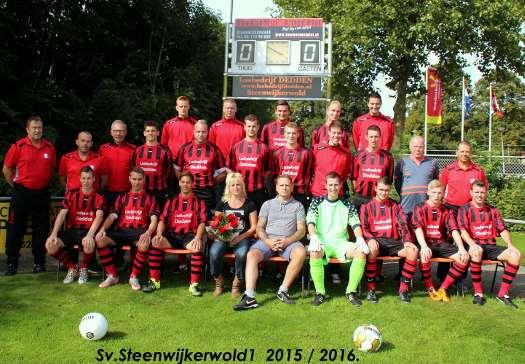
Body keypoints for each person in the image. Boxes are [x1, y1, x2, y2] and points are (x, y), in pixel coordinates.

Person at [234, 175, 307, 310]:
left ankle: (283, 290)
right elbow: (260, 227)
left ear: (292, 187)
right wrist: (267, 241)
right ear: (276, 188)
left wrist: (288, 240)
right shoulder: (267, 204)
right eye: (281, 185)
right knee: (252, 255)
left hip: (289, 241)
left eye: (287, 185)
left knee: (301, 252)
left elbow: (302, 230)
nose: (284, 188)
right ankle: (249, 296)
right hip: (268, 239)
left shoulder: (298, 206)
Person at [3, 116, 56, 274]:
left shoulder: (49, 147)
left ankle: (39, 263)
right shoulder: (18, 146)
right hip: (22, 193)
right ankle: (12, 264)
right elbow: (6, 169)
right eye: (34, 127)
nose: (37, 130)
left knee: (41, 230)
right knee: (15, 229)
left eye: (39, 127)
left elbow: (52, 170)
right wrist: (17, 185)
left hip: (41, 193)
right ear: (27, 129)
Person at [306, 172, 369, 306]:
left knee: (361, 252)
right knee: (314, 252)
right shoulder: (317, 201)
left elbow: (355, 223)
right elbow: (310, 221)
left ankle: (351, 292)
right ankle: (320, 293)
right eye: (330, 185)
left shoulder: (347, 203)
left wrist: (359, 238)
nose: (333, 188)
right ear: (325, 185)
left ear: (340, 186)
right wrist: (313, 236)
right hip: (323, 242)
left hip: (341, 243)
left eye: (336, 185)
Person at [458, 180, 522, 308]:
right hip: (473, 246)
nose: (479, 195)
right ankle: (478, 293)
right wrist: (472, 244)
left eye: (482, 192)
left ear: (486, 193)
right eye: (476, 192)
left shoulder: (492, 210)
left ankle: (503, 294)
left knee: (516, 254)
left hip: (491, 246)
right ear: (471, 192)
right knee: (477, 251)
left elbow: (502, 229)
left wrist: (510, 244)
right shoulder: (464, 209)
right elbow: (462, 231)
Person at [95, 167, 159, 289]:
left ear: (144, 180)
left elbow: (154, 220)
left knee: (144, 243)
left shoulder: (151, 199)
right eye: (134, 179)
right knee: (100, 239)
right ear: (129, 179)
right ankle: (112, 275)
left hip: (139, 232)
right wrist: (102, 229)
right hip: (121, 232)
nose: (136, 182)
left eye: (139, 179)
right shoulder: (122, 198)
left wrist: (148, 233)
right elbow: (112, 216)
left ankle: (133, 277)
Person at [145, 172, 207, 296]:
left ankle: (194, 285)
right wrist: (159, 234)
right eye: (183, 182)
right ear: (179, 183)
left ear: (192, 184)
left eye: (188, 182)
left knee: (197, 247)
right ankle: (154, 281)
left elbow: (202, 222)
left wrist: (198, 237)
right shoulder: (172, 200)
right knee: (155, 243)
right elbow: (163, 220)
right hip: (172, 235)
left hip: (189, 236)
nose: (185, 184)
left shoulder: (199, 202)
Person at [361, 177, 419, 303]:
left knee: (413, 251)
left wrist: (407, 240)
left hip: (393, 242)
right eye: (381, 189)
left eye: (387, 190)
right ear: (375, 188)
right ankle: (371, 290)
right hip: (377, 241)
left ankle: (403, 290)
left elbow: (403, 223)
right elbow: (363, 227)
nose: (383, 193)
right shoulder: (366, 206)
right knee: (371, 249)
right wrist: (370, 238)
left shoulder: (395, 205)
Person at [411, 180, 470, 301]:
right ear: (428, 192)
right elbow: (417, 228)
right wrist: (423, 246)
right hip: (426, 243)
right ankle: (430, 288)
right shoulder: (419, 207)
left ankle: (443, 288)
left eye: (439, 193)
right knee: (425, 255)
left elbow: (454, 230)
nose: (437, 196)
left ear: (443, 194)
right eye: (434, 192)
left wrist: (462, 248)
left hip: (441, 244)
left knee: (464, 258)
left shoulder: (447, 210)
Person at [45, 166, 105, 284]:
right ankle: (72, 267)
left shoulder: (99, 195)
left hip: (88, 231)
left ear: (94, 179)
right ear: (80, 179)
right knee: (50, 245)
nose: (86, 181)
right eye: (83, 178)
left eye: (89, 178)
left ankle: (84, 269)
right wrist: (53, 234)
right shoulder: (71, 194)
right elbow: (62, 214)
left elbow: (99, 216)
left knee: (88, 242)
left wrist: (89, 235)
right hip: (72, 231)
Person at [209, 173, 257, 298]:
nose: (236, 187)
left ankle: (237, 283)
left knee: (241, 254)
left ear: (242, 187)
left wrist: (239, 238)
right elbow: (217, 223)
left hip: (242, 237)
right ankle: (218, 281)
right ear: (228, 187)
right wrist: (221, 235)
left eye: (238, 185)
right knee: (214, 253)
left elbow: (253, 227)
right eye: (233, 185)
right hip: (223, 237)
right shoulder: (222, 203)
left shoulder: (249, 204)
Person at [174, 120, 226, 212]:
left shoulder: (215, 149)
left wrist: (212, 181)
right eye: (198, 132)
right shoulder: (184, 148)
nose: (200, 134)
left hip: (206, 191)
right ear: (194, 132)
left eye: (203, 132)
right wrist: (184, 182)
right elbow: (176, 169)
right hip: (188, 189)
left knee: (205, 218)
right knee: (187, 216)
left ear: (207, 132)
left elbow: (223, 172)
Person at [227, 114, 271, 211]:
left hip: (258, 191)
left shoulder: (264, 147)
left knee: (259, 221)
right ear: (244, 127)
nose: (251, 129)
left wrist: (261, 180)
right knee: (241, 221)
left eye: (254, 126)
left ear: (258, 127)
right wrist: (235, 183)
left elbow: (268, 170)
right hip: (239, 191)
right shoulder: (236, 147)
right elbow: (229, 168)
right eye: (249, 126)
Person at [394, 135, 439, 220]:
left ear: (424, 147)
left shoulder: (432, 163)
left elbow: (435, 183)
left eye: (420, 147)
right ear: (410, 147)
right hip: (406, 207)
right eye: (415, 146)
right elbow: (397, 184)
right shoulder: (402, 162)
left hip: (426, 207)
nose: (418, 149)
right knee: (406, 231)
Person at [352, 125, 394, 211]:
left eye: (376, 137)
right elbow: (354, 178)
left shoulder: (388, 157)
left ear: (380, 137)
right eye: (371, 137)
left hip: (379, 199)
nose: (373, 139)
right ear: (366, 137)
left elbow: (389, 179)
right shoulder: (358, 155)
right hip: (360, 199)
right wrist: (357, 192)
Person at [271, 122, 312, 208]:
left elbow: (309, 173)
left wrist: (306, 190)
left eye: (294, 133)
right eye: (288, 133)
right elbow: (275, 174)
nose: (291, 136)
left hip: (300, 193)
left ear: (298, 134)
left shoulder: (306, 153)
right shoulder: (277, 153)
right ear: (284, 134)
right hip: (282, 192)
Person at [132, 121, 173, 207]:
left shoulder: (165, 151)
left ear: (158, 133)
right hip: (141, 190)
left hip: (160, 190)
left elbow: (169, 172)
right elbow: (134, 169)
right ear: (144, 133)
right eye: (148, 131)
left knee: (159, 217)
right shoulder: (137, 151)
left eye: (153, 131)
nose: (150, 133)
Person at [440, 140, 488, 214]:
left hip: (471, 209)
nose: (464, 154)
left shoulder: (478, 171)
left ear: (471, 153)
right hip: (451, 209)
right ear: (457, 153)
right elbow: (441, 189)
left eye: (467, 152)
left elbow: (485, 189)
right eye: (462, 151)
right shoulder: (448, 170)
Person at [98, 120, 136, 207]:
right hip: (106, 192)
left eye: (121, 131)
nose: (118, 134)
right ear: (111, 132)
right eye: (115, 131)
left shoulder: (133, 150)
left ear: (126, 132)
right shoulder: (103, 149)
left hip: (126, 192)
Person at [310, 123, 353, 198]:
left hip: (337, 193)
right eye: (334, 133)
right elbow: (311, 168)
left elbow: (345, 173)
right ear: (329, 133)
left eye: (339, 133)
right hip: (318, 193)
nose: (336, 136)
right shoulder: (317, 149)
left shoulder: (346, 153)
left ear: (342, 134)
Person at [209, 98, 245, 166]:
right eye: (227, 108)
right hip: (219, 164)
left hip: (237, 163)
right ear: (223, 109)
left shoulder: (243, 127)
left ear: (236, 109)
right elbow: (211, 148)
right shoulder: (215, 126)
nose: (229, 110)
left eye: (232, 108)